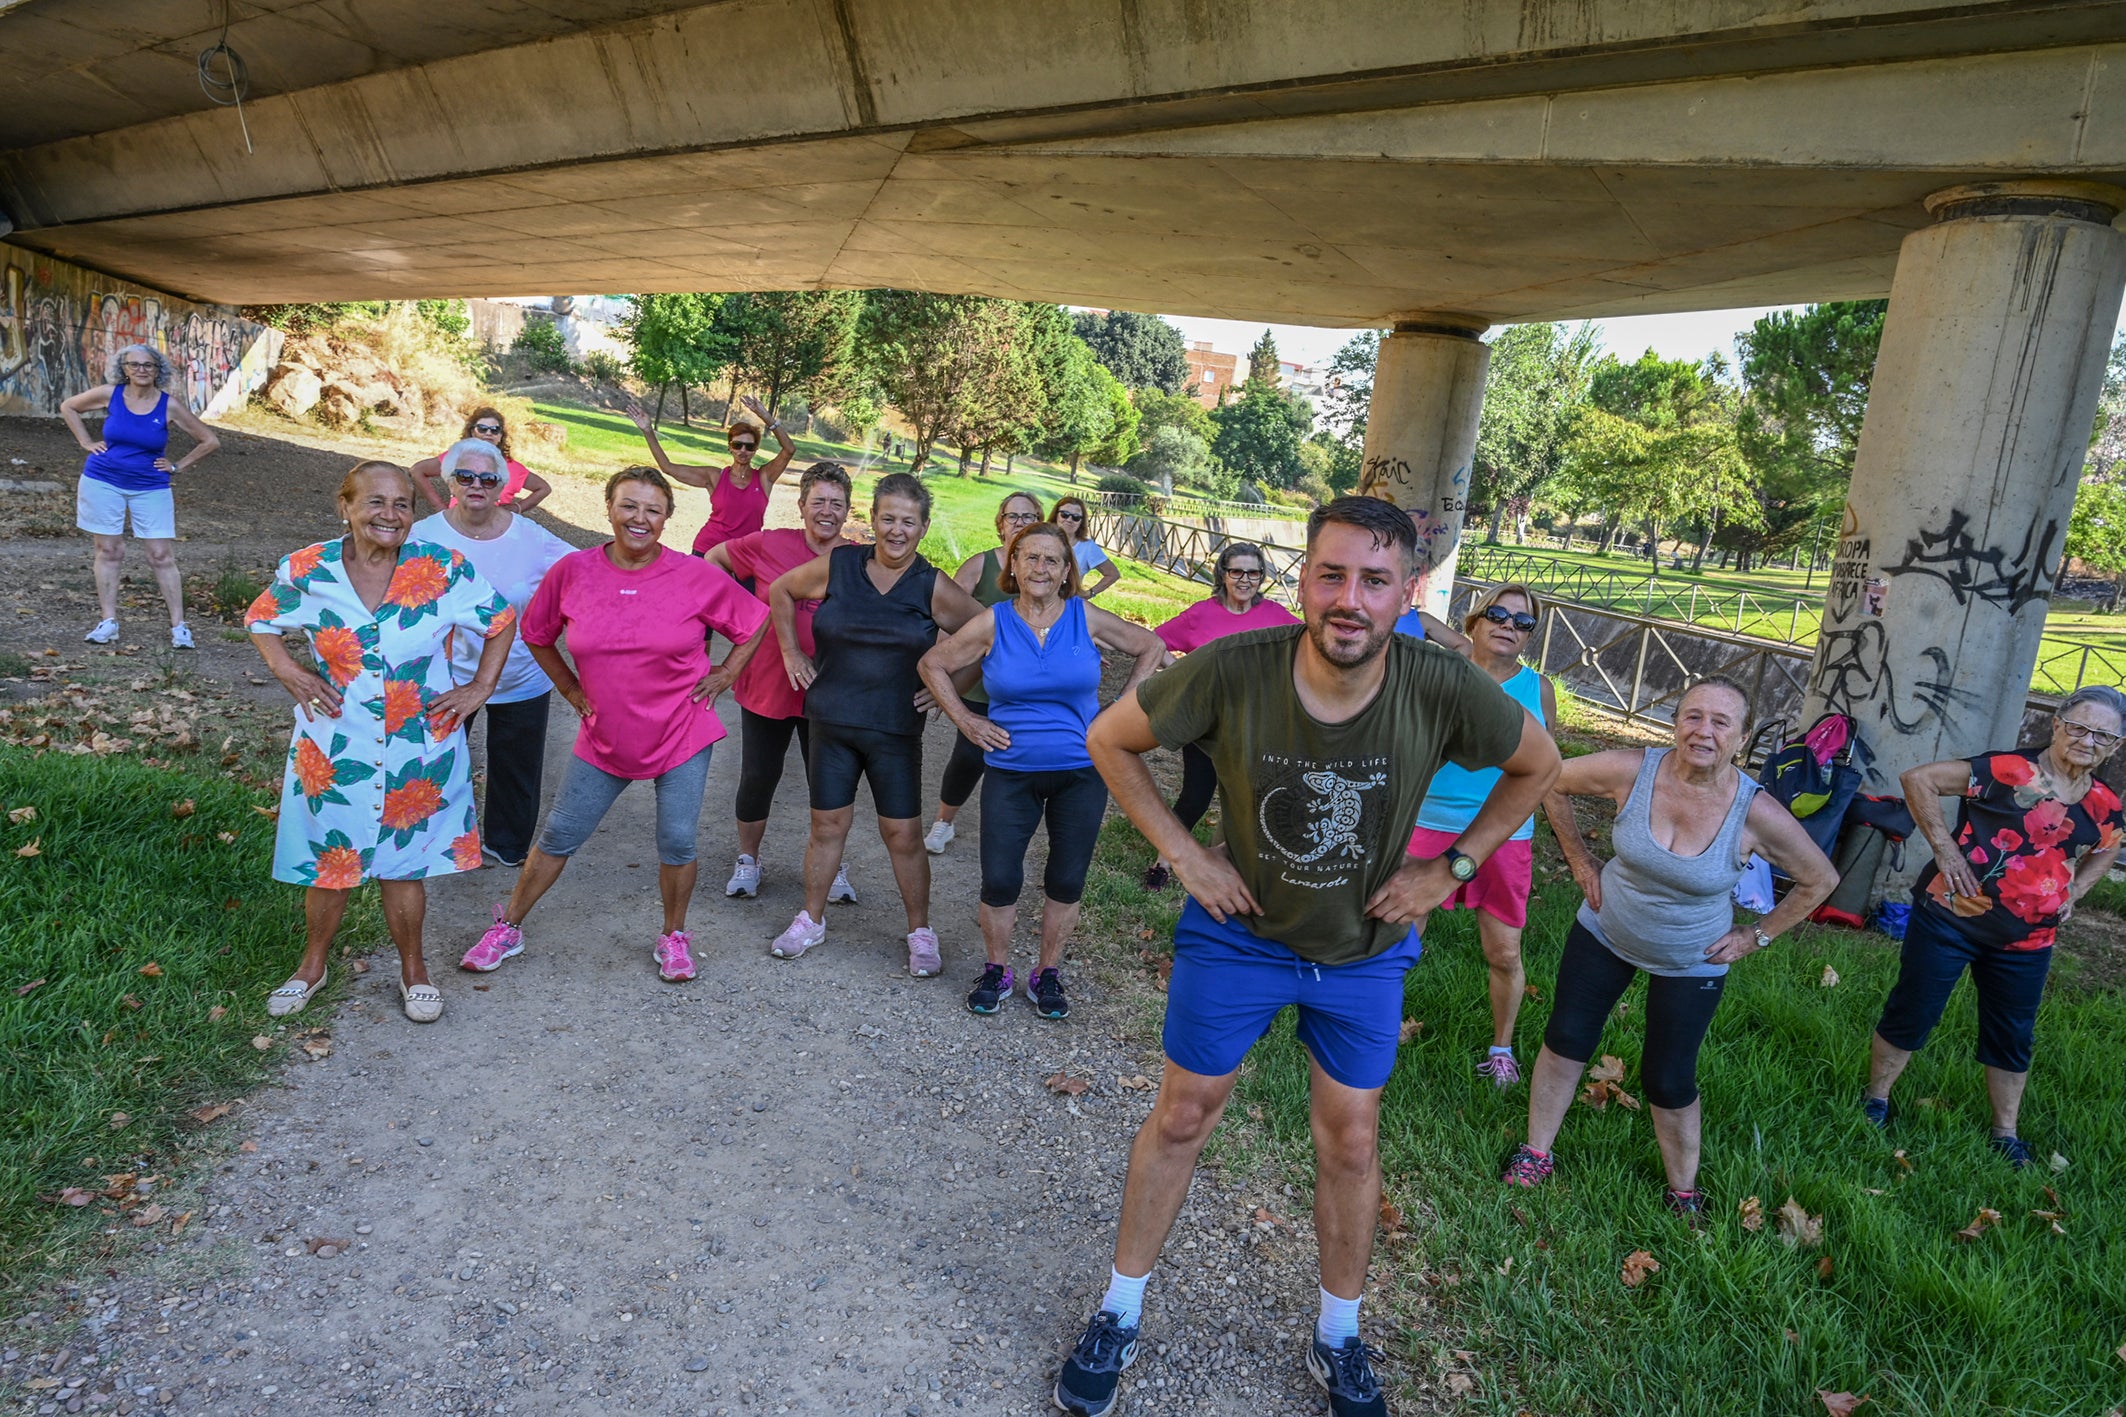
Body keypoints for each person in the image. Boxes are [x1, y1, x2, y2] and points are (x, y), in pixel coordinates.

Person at [1057, 496, 1561, 1417]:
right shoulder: (1235, 667)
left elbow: (1539, 763)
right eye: (1331, 574)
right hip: (1240, 932)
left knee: (1352, 1136)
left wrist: (1449, 870)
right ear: (1302, 581)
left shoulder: (1439, 683)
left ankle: (1338, 1334)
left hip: (1364, 950)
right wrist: (1182, 852)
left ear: (1408, 593)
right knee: (1182, 1115)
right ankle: (1118, 1310)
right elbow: (1110, 738)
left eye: (1375, 581)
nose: (1350, 598)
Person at [1505, 677, 1836, 1216]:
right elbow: (1550, 779)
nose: (1703, 731)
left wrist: (1757, 935)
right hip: (1604, 930)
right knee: (1566, 1038)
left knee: (1669, 1073)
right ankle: (1535, 1152)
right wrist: (1580, 860)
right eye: (1692, 716)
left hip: (1692, 956)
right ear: (1675, 722)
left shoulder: (1754, 812)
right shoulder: (1633, 770)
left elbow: (1819, 879)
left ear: (1743, 737)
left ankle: (1683, 1191)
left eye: (1721, 722)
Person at [458, 467, 768, 983]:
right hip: (605, 734)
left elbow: (753, 620)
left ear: (667, 518)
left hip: (680, 730)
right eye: (629, 505)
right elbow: (536, 633)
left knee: (677, 841)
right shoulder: (575, 571)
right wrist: (572, 690)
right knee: (559, 833)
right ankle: (508, 926)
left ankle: (673, 936)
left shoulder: (693, 575)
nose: (639, 518)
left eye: (653, 509)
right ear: (609, 509)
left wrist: (727, 674)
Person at [246, 461, 515, 1024]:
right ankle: (311, 967)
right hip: (334, 743)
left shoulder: (441, 568)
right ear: (344, 505)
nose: (390, 515)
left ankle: (414, 969)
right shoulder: (309, 568)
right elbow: (262, 619)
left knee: (405, 866)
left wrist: (479, 688)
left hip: (419, 745)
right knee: (329, 862)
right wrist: (291, 674)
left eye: (401, 504)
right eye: (375, 502)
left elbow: (499, 619)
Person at [1863, 685, 2126, 1165]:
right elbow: (1918, 779)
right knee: (1915, 1008)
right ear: (2057, 724)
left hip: (2029, 938)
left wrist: (2077, 889)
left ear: (2115, 746)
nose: (2088, 741)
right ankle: (1875, 1100)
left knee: (2012, 1031)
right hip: (1951, 917)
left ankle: (2005, 1132)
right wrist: (1945, 850)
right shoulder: (2007, 770)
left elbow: (2110, 845)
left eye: (2103, 736)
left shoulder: (2104, 803)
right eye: (2079, 727)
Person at [919, 522, 1167, 1019]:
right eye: (1030, 557)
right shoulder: (994, 622)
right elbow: (933, 665)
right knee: (1001, 878)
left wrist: (1118, 709)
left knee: (1066, 878)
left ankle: (1047, 972)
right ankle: (996, 969)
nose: (1040, 568)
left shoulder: (1085, 616)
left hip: (1082, 771)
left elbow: (1152, 647)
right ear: (1012, 565)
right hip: (1011, 771)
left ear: (1066, 572)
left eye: (1052, 560)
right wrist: (967, 720)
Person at [764, 473, 984, 975]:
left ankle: (920, 933)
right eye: (888, 519)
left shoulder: (931, 584)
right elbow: (781, 590)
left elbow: (986, 635)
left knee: (903, 834)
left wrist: (944, 689)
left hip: (894, 730)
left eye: (909, 521)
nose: (896, 531)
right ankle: (811, 920)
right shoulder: (840, 565)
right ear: (873, 519)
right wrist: (790, 649)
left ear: (924, 528)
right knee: (826, 826)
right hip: (832, 723)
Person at [1407, 584, 1571, 1087]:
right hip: (1428, 824)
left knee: (1503, 953)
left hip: (1505, 834)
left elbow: (1548, 773)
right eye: (1498, 613)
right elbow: (1403, 618)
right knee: (1398, 936)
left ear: (1529, 638)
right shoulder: (1439, 672)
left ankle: (1501, 1047)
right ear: (1474, 621)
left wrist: (1579, 857)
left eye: (1523, 622)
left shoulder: (1538, 689)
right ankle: (1377, 1021)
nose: (1509, 625)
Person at [411, 438, 574, 867]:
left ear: (504, 484)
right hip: (444, 678)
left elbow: (583, 572)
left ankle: (507, 845)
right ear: (450, 481)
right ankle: (431, 845)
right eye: (465, 477)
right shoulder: (423, 536)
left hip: (521, 675)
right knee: (436, 764)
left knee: (516, 771)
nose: (476, 485)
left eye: (488, 478)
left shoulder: (531, 538)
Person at [705, 461, 858, 902]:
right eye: (818, 502)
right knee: (758, 776)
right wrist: (740, 613)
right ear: (802, 505)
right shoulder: (769, 543)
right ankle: (749, 860)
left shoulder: (856, 559)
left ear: (847, 510)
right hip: (769, 681)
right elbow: (715, 559)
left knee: (829, 784)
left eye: (836, 503)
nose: (826, 512)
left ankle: (833, 866)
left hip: (829, 689)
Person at [1139, 541, 1298, 892]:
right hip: (1207, 723)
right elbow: (1154, 642)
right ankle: (1163, 862)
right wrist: (1182, 672)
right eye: (1237, 571)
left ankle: (1245, 866)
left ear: (1262, 577)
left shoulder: (1275, 616)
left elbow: (1308, 648)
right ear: (1223, 575)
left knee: (1252, 797)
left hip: (1257, 724)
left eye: (1253, 572)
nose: (1245, 580)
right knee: (1196, 794)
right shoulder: (1201, 614)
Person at [60, 343, 221, 649]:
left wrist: (177, 465)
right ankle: (108, 622)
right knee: (109, 551)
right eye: (134, 365)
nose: (141, 370)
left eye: (148, 365)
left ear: (157, 370)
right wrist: (85, 441)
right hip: (102, 479)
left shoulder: (168, 405)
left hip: (151, 485)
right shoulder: (110, 393)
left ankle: (179, 627)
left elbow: (209, 440)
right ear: (125, 369)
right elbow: (69, 406)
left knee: (160, 555)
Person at [923, 491, 1045, 855]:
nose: (1020, 523)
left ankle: (1008, 832)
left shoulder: (1045, 567)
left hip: (1026, 686)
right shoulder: (981, 565)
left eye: (1028, 516)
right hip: (979, 684)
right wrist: (939, 671)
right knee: (968, 756)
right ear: (1000, 523)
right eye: (1013, 516)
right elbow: (945, 619)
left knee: (1017, 757)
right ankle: (944, 822)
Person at [623, 393, 795, 560]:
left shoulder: (765, 477)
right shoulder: (715, 477)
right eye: (737, 445)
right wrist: (647, 430)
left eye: (749, 447)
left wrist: (765, 416)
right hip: (709, 549)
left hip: (745, 555)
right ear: (730, 447)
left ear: (755, 449)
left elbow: (789, 449)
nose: (743, 450)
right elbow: (668, 467)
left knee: (746, 591)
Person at [412, 406, 551, 513]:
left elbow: (543, 488)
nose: (488, 433)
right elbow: (418, 470)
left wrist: (517, 508)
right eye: (482, 428)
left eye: (495, 429)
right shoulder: (456, 457)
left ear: (501, 436)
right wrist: (439, 507)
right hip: (457, 530)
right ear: (472, 432)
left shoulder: (514, 468)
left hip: (495, 535)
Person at [1051, 496, 1120, 600]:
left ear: (1081, 522)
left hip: (1067, 604)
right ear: (1056, 515)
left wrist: (1089, 593)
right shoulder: (1040, 537)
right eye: (1064, 514)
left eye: (1076, 517)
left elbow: (1112, 574)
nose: (1069, 520)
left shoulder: (1087, 547)